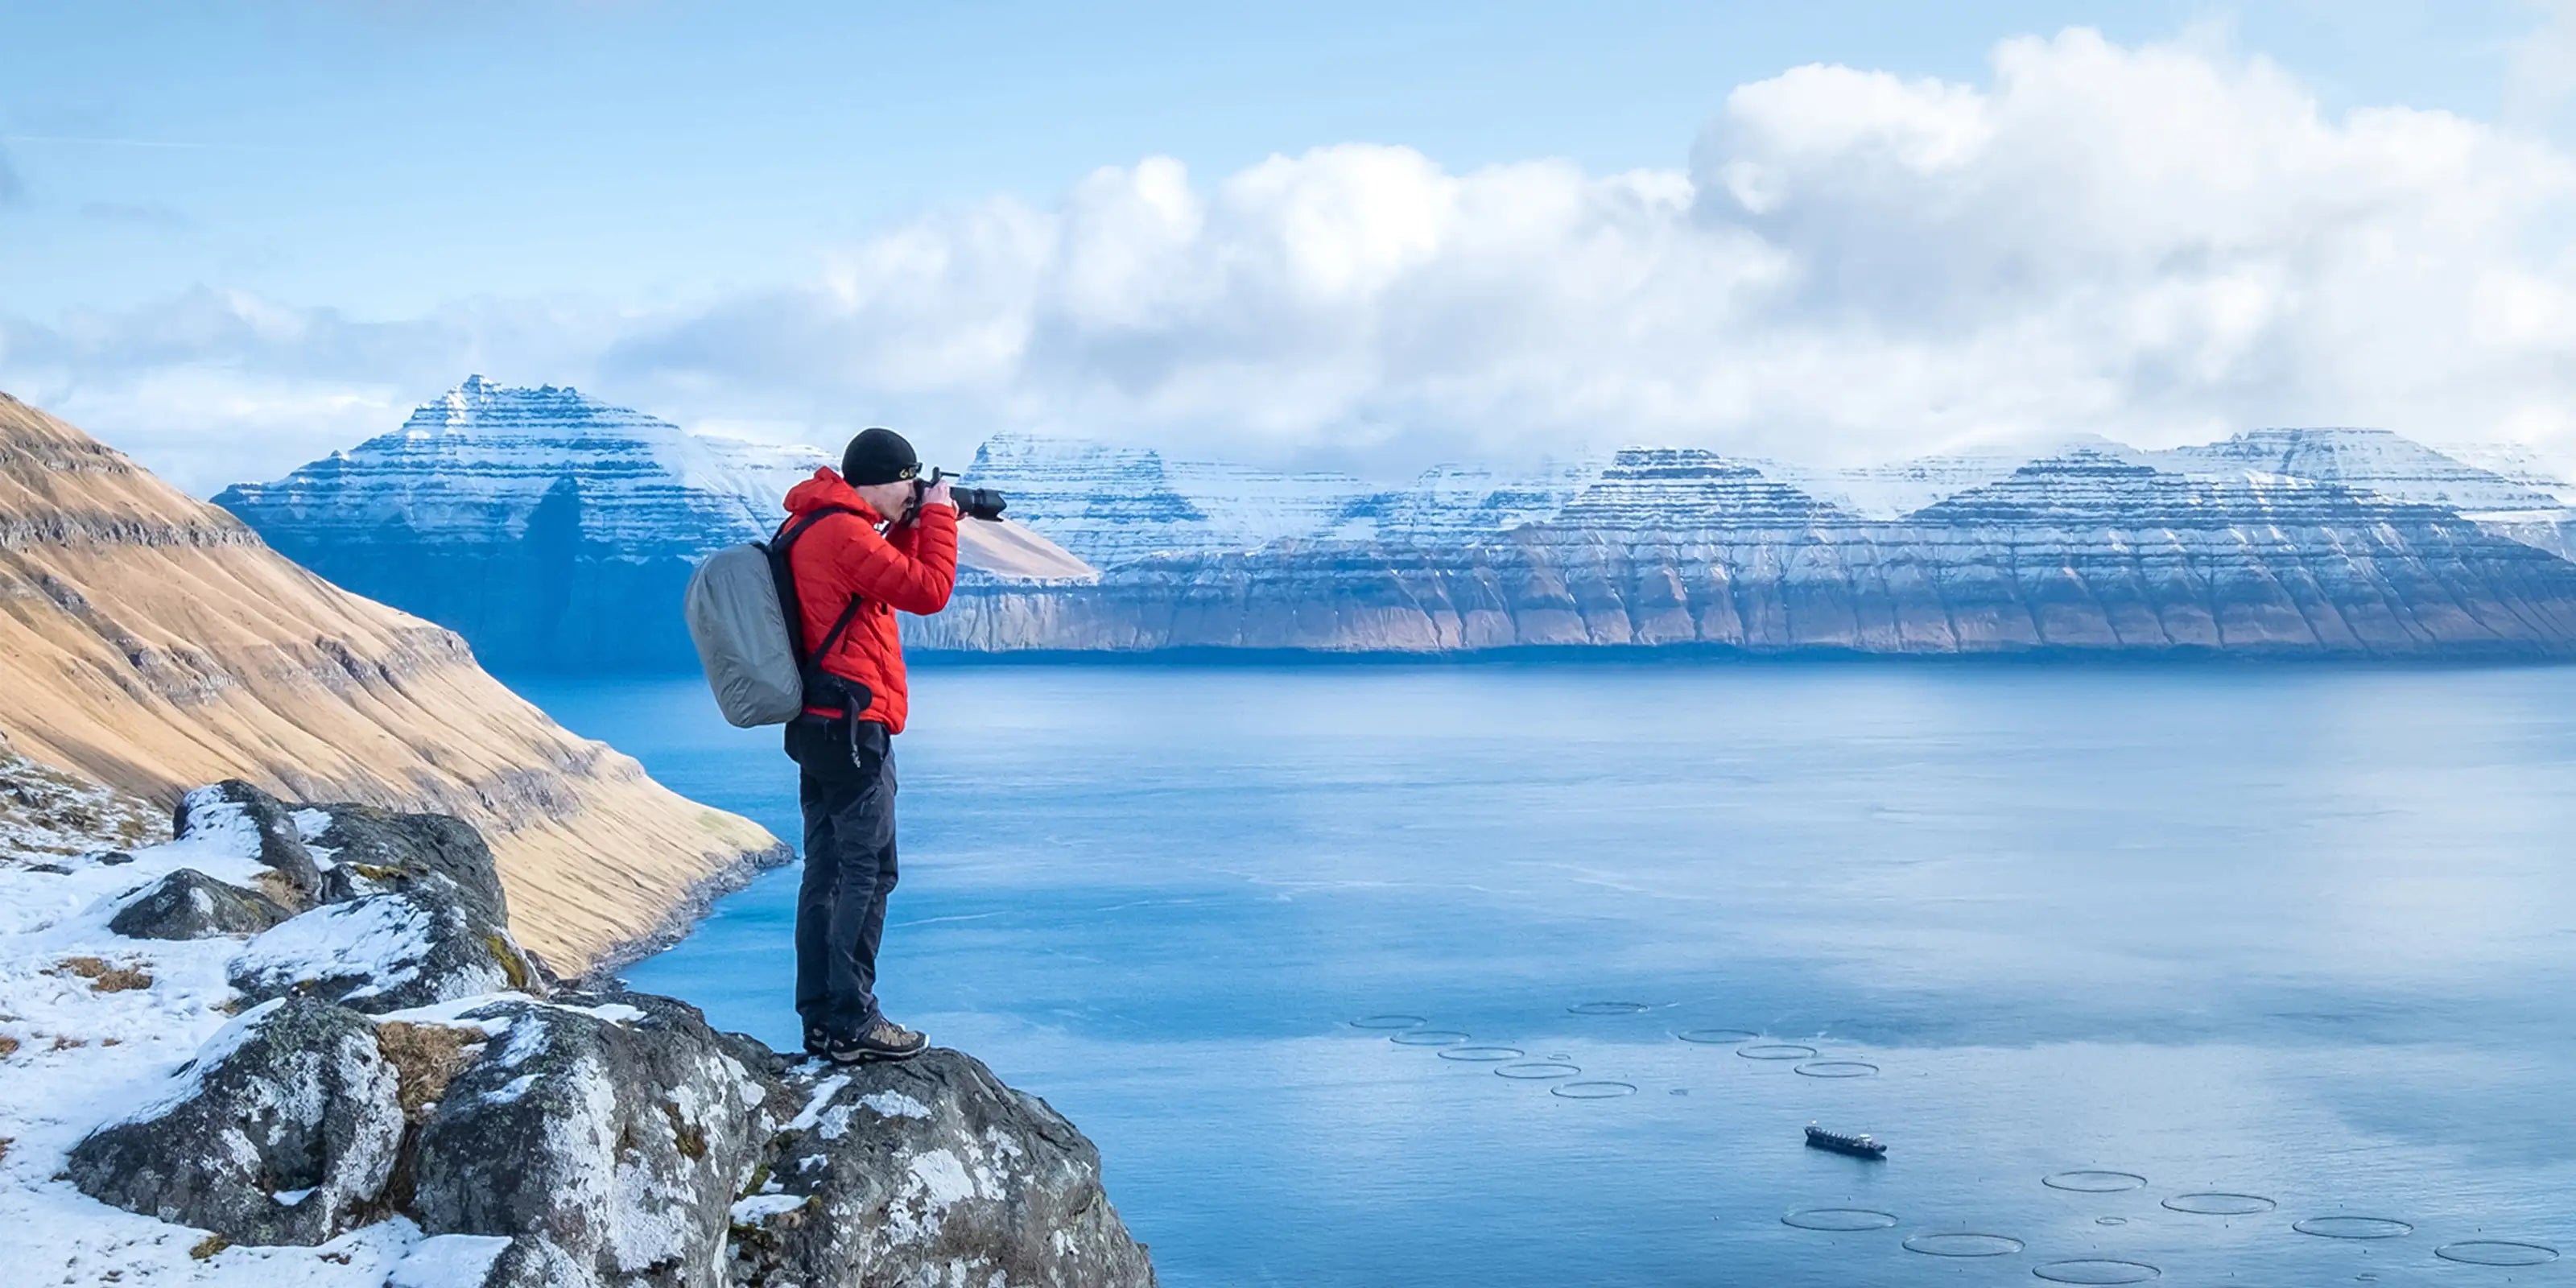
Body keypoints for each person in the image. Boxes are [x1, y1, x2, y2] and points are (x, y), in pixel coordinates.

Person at [778, 426, 957, 1063]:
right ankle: (855, 1018)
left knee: (826, 872)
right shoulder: (844, 533)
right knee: (869, 871)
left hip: (820, 726)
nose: (914, 493)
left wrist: (916, 517)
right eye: (908, 482)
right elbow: (929, 590)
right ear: (883, 479)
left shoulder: (817, 523)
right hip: (854, 730)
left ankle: (822, 1021)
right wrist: (938, 517)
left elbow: (890, 578)